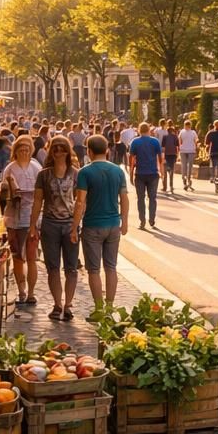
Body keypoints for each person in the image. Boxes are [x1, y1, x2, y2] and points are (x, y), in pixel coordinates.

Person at [72, 135, 128, 315]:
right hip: (113, 224)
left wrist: (74, 227)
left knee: (94, 270)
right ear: (107, 150)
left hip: (92, 225)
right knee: (111, 267)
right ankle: (110, 307)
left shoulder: (85, 172)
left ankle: (99, 309)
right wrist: (124, 221)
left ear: (88, 151)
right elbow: (124, 198)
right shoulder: (118, 171)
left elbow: (80, 202)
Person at [30, 135, 81, 322]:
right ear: (50, 150)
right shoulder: (43, 175)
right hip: (50, 224)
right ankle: (57, 304)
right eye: (55, 148)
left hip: (69, 224)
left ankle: (68, 305)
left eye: (62, 147)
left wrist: (76, 226)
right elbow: (37, 201)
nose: (59, 151)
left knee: (71, 268)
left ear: (68, 151)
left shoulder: (76, 174)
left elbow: (80, 202)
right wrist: (32, 226)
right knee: (53, 267)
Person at [1, 135, 42, 307]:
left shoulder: (36, 167)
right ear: (15, 150)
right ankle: (21, 290)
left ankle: (31, 292)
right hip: (14, 219)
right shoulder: (10, 169)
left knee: (32, 257)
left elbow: (42, 192)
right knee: (18, 257)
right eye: (21, 148)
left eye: (27, 148)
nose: (24, 151)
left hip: (32, 218)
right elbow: (3, 192)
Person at [128, 123, 163, 230]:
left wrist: (131, 172)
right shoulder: (155, 141)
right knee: (152, 198)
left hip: (140, 174)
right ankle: (152, 219)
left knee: (140, 198)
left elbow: (131, 158)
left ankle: (142, 220)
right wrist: (161, 171)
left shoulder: (135, 142)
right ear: (149, 130)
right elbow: (160, 157)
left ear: (139, 130)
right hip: (153, 173)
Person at [178, 119, 199, 192]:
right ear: (190, 125)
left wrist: (180, 147)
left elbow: (179, 141)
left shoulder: (181, 132)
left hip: (183, 150)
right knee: (189, 166)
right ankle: (188, 180)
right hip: (191, 150)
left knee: (184, 165)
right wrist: (196, 146)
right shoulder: (193, 132)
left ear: (184, 125)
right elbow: (196, 140)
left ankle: (184, 179)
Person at [160, 122, 180, 194]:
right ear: (172, 131)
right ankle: (171, 186)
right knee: (172, 171)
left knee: (165, 172)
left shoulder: (165, 137)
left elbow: (163, 147)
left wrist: (163, 156)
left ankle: (165, 187)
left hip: (167, 155)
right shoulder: (175, 137)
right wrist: (177, 155)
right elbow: (177, 146)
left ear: (167, 131)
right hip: (173, 154)